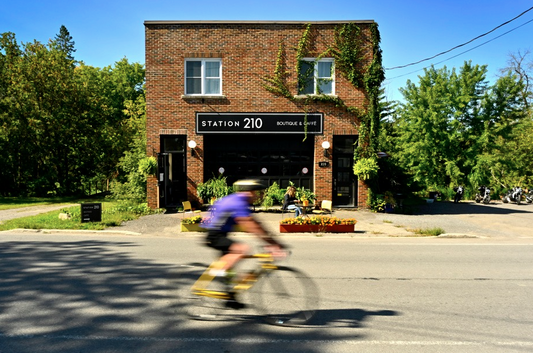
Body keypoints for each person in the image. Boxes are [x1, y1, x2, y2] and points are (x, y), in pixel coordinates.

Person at [203, 179, 286, 308]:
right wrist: (274, 243)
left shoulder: (239, 200)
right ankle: (217, 271)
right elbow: (252, 226)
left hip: (220, 233)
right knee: (241, 249)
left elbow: (255, 224)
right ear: (250, 192)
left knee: (231, 265)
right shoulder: (238, 202)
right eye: (258, 193)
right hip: (214, 235)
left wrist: (273, 241)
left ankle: (230, 298)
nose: (260, 196)